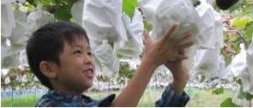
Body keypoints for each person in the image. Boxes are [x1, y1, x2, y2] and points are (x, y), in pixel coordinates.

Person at [26, 21, 194, 107]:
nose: (88, 60)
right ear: (49, 69)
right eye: (78, 52)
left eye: (89, 52)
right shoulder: (49, 106)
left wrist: (179, 81)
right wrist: (149, 62)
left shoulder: (85, 103)